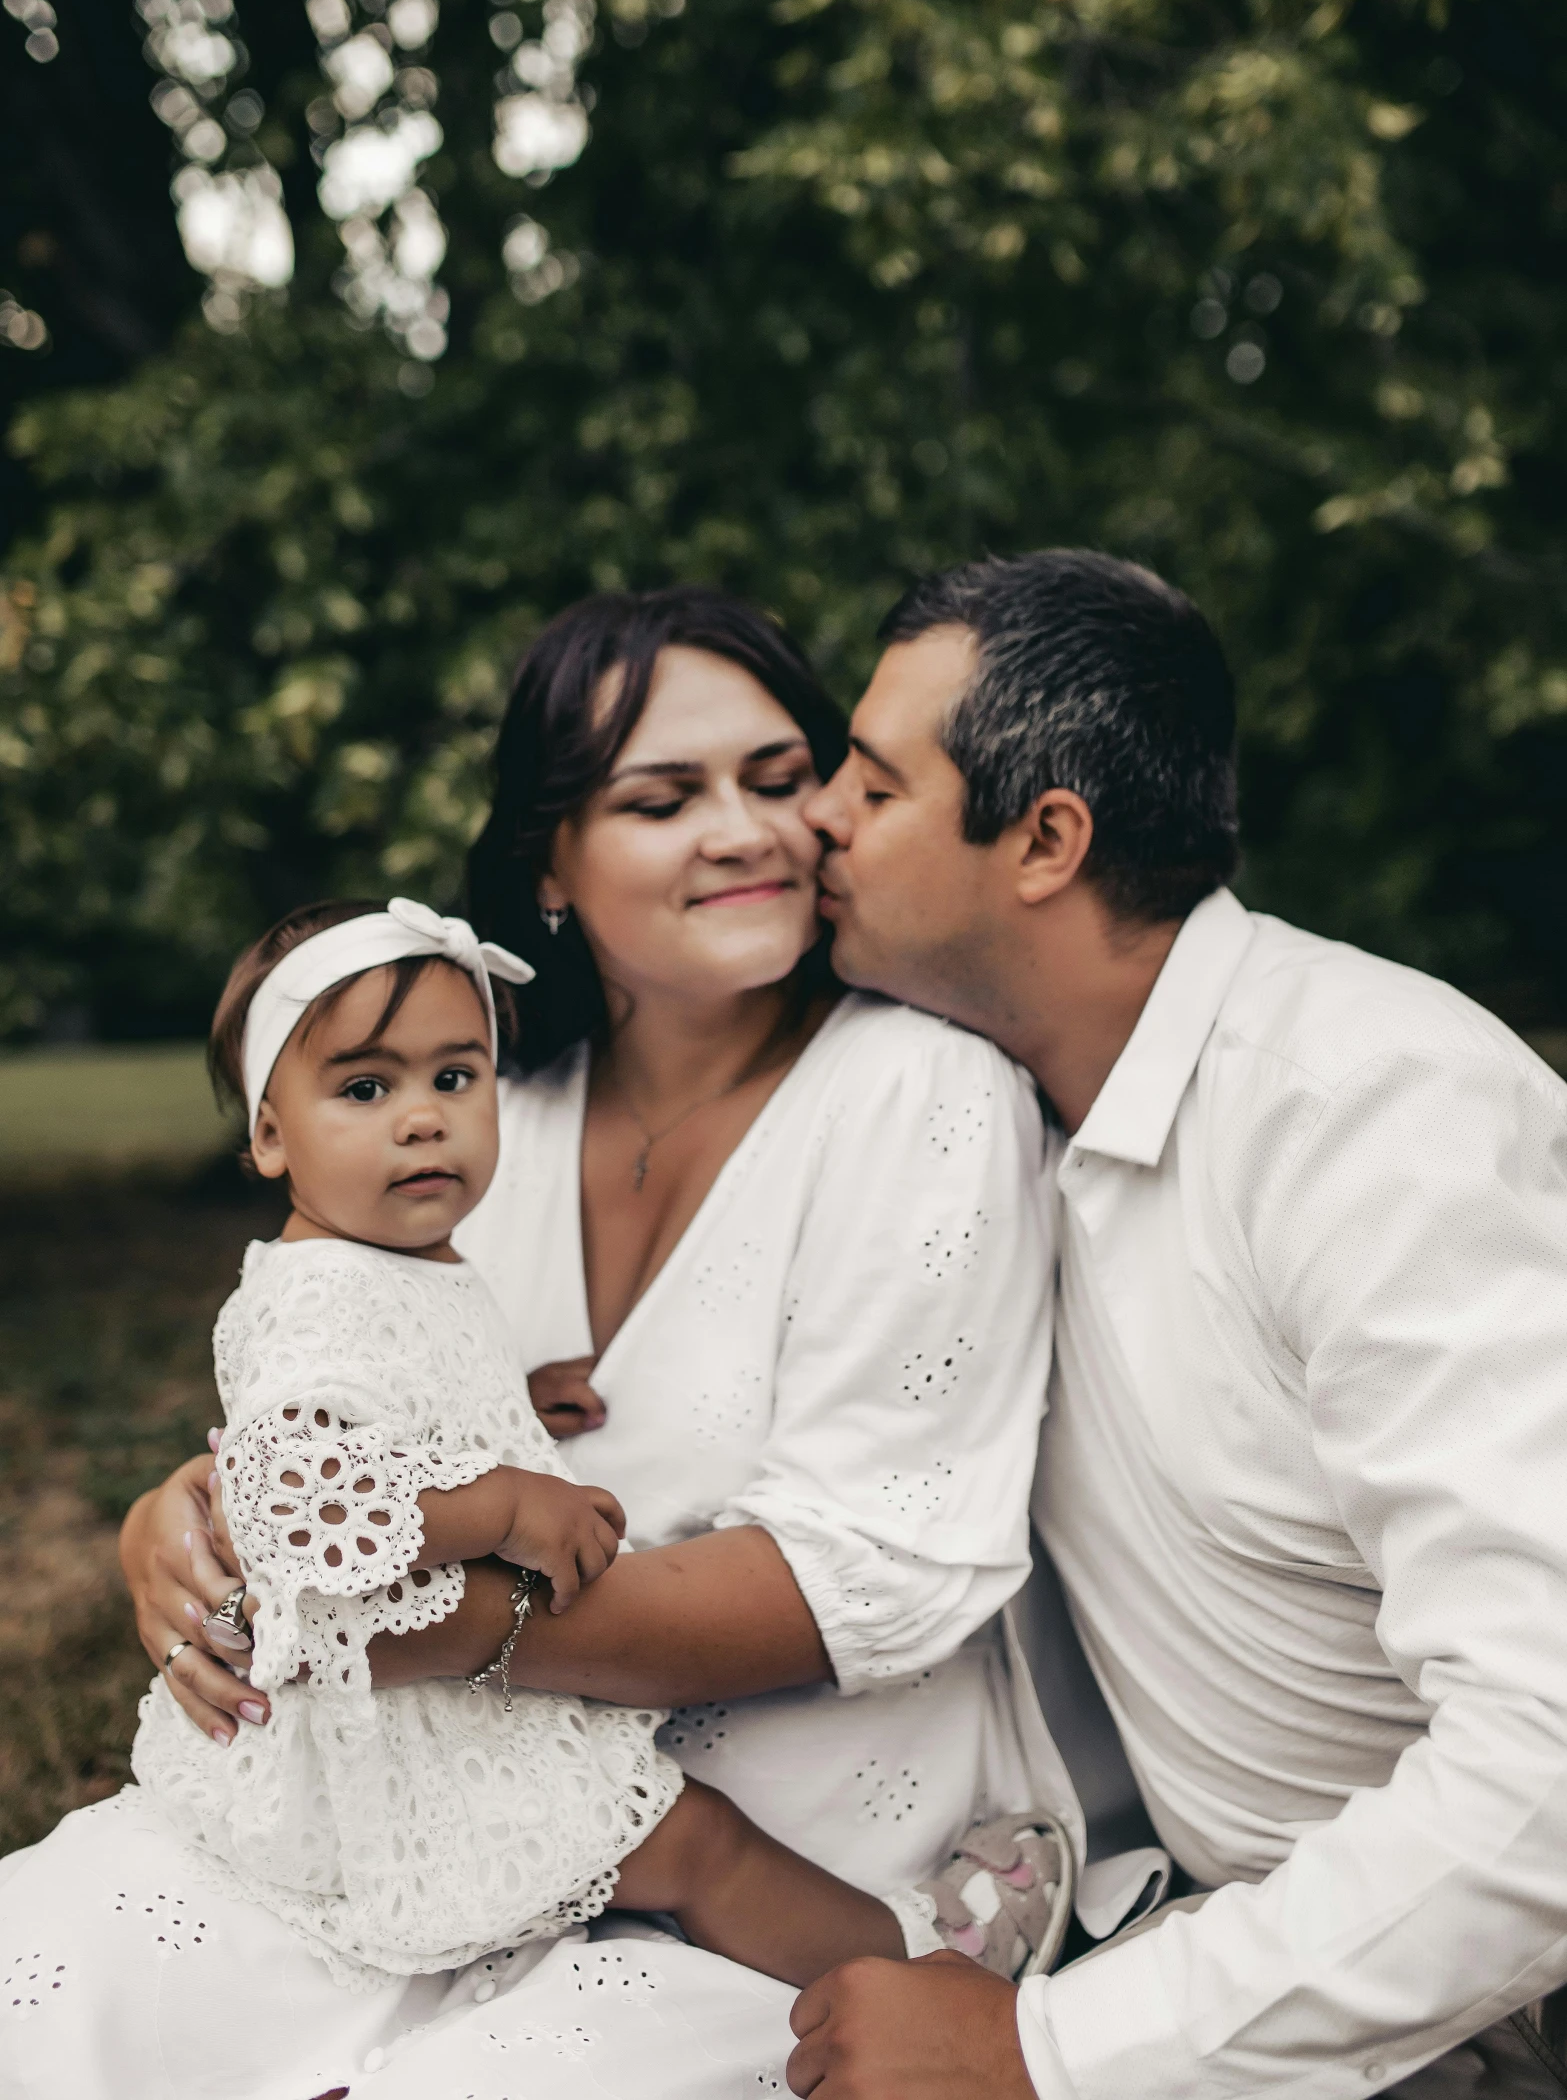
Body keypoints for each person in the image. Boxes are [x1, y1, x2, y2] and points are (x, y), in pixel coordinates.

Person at [30, 589, 1069, 2097]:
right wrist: (171, 1530)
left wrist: (424, 1626)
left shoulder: (919, 1093)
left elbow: (886, 1566)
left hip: (778, 1832)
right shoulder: (483, 1118)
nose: (748, 831)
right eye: (664, 798)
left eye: (781, 778)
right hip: (417, 1802)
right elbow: (345, 1414)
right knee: (60, 1985)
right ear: (552, 866)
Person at [784, 550, 1567, 2100]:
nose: (813, 815)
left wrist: (1050, 2057)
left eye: (871, 787)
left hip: (1473, 1999)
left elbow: (1549, 1767)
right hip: (1216, 1952)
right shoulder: (968, 1117)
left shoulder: (1366, 1115)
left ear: (1045, 839)